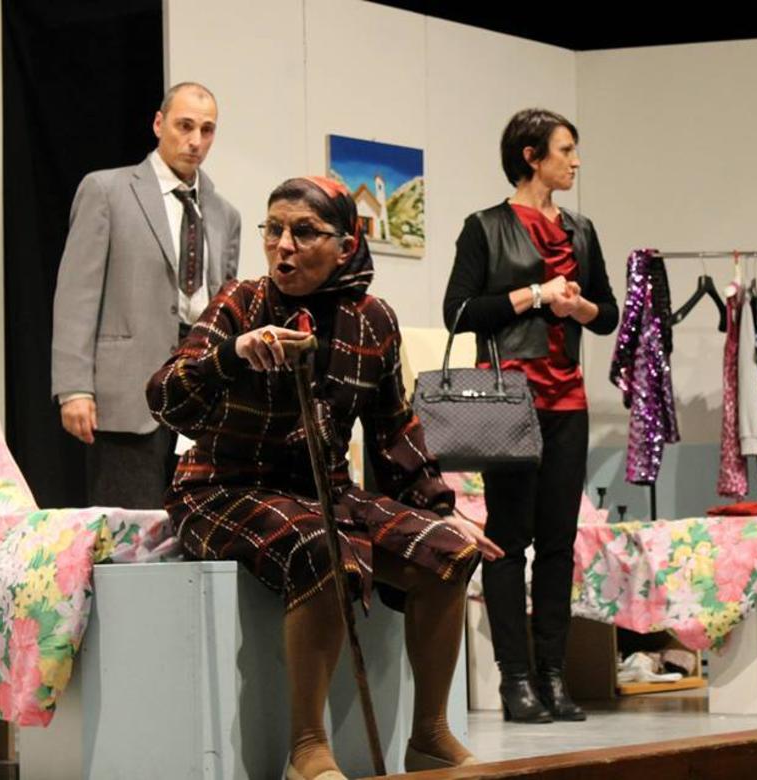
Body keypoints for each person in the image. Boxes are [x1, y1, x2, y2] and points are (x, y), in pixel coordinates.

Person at [147, 177, 501, 780]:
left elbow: (394, 429)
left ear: (345, 245)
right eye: (274, 229)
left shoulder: (374, 321)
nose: (282, 245)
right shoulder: (240, 303)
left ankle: (430, 735)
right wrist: (232, 354)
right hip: (222, 487)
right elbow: (164, 396)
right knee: (323, 546)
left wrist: (441, 506)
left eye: (303, 232)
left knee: (449, 553)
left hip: (324, 491)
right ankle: (307, 747)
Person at [442, 108, 618, 723]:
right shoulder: (485, 227)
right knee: (508, 540)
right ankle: (514, 679)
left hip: (568, 400)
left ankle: (553, 676)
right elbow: (459, 312)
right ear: (531, 156)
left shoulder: (581, 230)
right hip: (507, 398)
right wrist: (536, 295)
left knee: (560, 543)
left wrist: (577, 308)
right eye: (565, 150)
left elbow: (609, 314)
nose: (575, 161)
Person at [52, 82, 241, 508]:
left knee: (192, 526)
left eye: (206, 130)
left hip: (199, 396)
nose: (195, 141)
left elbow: (224, 309)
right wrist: (74, 388)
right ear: (159, 124)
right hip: (127, 392)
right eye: (184, 126)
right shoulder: (107, 191)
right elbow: (77, 295)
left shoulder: (224, 214)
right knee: (129, 531)